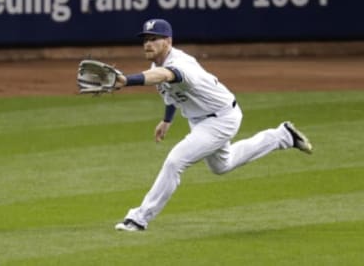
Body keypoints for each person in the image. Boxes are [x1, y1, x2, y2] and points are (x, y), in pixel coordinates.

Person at [114, 18, 313, 231]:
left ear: (168, 41)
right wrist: (167, 120)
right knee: (222, 166)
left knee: (175, 162)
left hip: (221, 119)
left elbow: (165, 76)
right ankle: (282, 136)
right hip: (201, 121)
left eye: (154, 39)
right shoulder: (156, 65)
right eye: (145, 39)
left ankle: (139, 218)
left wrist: (127, 80)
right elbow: (170, 92)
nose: (147, 44)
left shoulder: (181, 64)